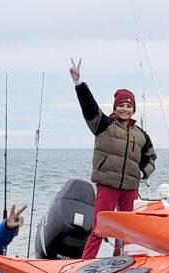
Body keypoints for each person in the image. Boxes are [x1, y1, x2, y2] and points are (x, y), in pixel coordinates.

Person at [69, 57, 157, 259]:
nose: (125, 109)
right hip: (107, 185)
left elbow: (150, 156)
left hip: (130, 188)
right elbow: (89, 107)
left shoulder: (141, 134)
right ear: (115, 107)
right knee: (100, 229)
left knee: (127, 230)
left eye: (129, 106)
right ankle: (84, 264)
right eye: (121, 105)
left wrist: (143, 172)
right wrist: (78, 83)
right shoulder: (103, 125)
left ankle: (122, 261)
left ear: (134, 109)